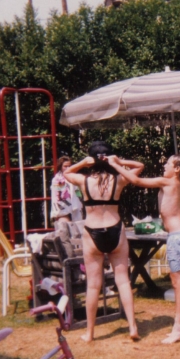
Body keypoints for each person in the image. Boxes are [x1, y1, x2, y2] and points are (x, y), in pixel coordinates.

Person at [108, 154, 180, 344]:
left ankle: (179, 327)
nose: (164, 165)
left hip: (178, 236)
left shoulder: (168, 182)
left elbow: (136, 180)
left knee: (178, 282)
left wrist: (116, 165)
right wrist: (179, 229)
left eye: (168, 163)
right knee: (179, 281)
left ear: (177, 169)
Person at [63, 141, 142, 342]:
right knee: (123, 281)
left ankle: (90, 332)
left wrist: (83, 163)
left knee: (93, 286)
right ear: (109, 158)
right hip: (115, 229)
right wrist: (119, 162)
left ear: (92, 159)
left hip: (92, 231)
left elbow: (66, 173)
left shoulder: (83, 180)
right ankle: (133, 326)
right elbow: (139, 166)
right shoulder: (119, 179)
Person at [50, 156, 83, 224]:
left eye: (69, 166)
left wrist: (80, 199)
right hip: (63, 207)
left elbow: (77, 190)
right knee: (64, 225)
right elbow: (57, 196)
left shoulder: (73, 177)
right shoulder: (57, 179)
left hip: (75, 205)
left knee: (77, 225)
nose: (68, 168)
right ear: (60, 167)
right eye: (65, 166)